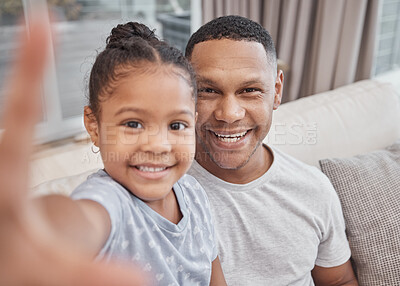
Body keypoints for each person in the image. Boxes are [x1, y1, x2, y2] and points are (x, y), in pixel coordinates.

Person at [0, 13, 226, 286]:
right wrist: (40, 235)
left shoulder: (194, 193)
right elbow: (77, 222)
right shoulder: (108, 201)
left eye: (177, 125)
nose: (157, 145)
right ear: (94, 126)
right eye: (133, 123)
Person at [185, 15, 358, 286]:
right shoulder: (161, 192)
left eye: (250, 90)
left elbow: (339, 281)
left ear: (276, 91)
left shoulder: (314, 189)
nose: (229, 114)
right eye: (208, 90)